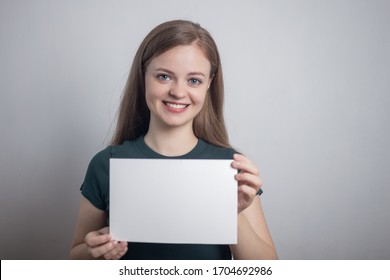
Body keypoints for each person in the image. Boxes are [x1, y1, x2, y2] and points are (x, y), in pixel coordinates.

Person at [70, 20, 277, 260]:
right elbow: (76, 255)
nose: (178, 92)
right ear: (143, 76)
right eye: (164, 76)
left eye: (194, 80)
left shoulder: (231, 167)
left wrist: (231, 214)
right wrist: (94, 251)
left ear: (209, 84)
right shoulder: (106, 164)